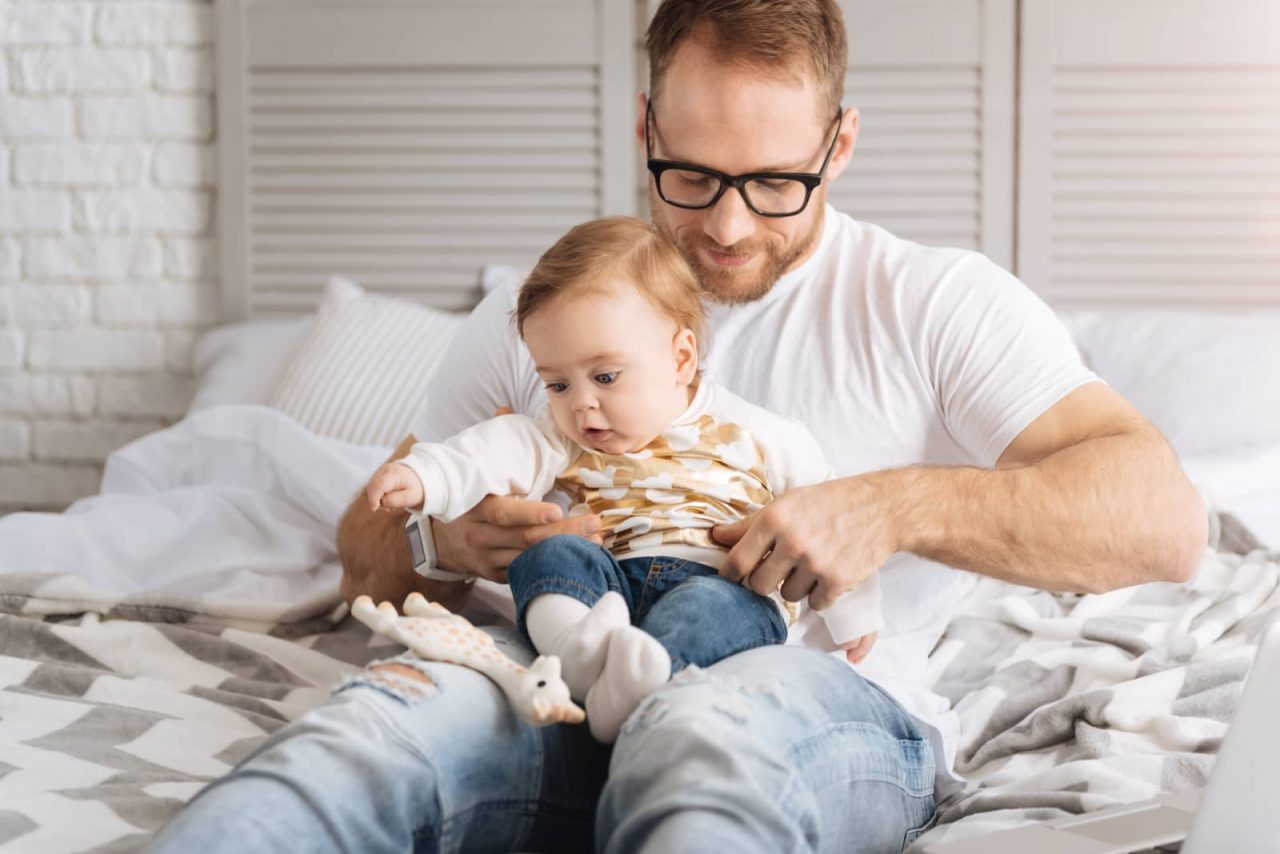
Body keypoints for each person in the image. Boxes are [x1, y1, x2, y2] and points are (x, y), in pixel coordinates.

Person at [149, 1, 1206, 851]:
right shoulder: (536, 313)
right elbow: (369, 565)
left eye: (774, 182)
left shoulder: (934, 303)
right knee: (359, 736)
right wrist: (442, 543)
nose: (729, 223)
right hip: (548, 677)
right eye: (691, 175)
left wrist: (893, 504)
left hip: (800, 700)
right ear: (645, 128)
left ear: (838, 146)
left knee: (698, 741)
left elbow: (1161, 520)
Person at [363, 216, 882, 743]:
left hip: (719, 581)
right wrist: (424, 475)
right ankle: (577, 654)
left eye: (605, 377)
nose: (581, 403)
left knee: (716, 609)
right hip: (607, 582)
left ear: (681, 358)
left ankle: (639, 682)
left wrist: (852, 609)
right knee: (549, 557)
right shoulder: (560, 436)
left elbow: (825, 520)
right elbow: (483, 453)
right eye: (558, 383)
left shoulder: (759, 433)